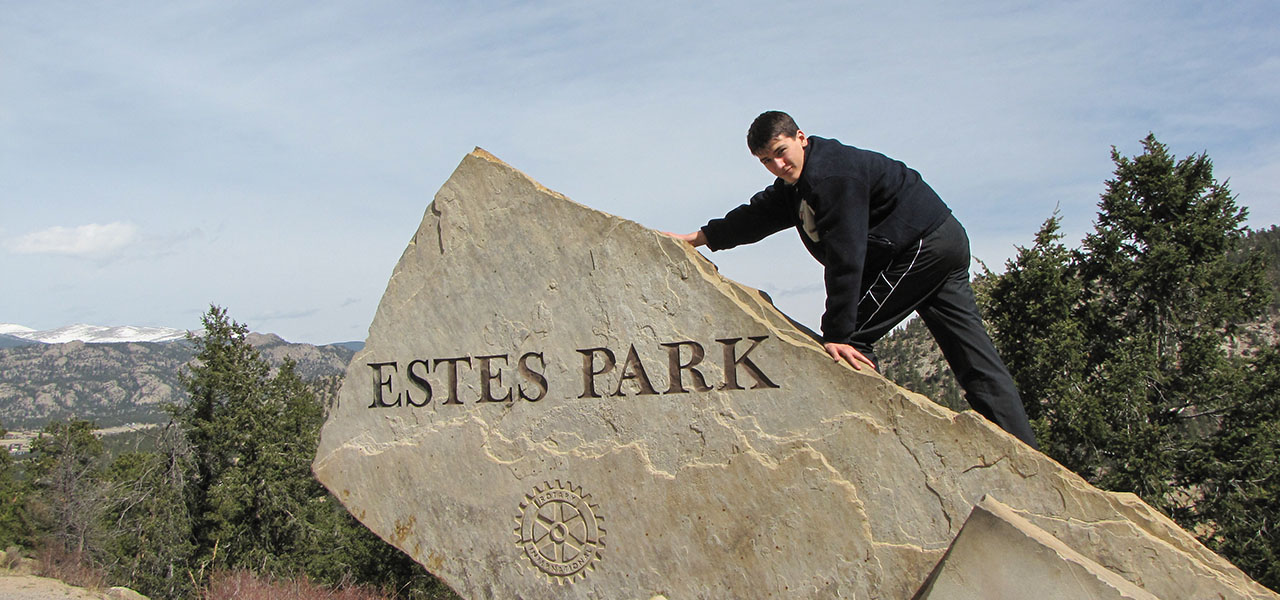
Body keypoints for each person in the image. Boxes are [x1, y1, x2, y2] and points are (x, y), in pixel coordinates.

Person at [667, 111, 1037, 448]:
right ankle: (1024, 455)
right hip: (939, 241)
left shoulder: (833, 176)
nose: (778, 165)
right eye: (766, 161)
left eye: (781, 152)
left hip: (923, 248)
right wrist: (701, 238)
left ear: (801, 137)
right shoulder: (800, 181)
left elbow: (847, 256)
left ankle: (874, 443)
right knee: (975, 360)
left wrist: (838, 333)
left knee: (851, 339)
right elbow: (758, 214)